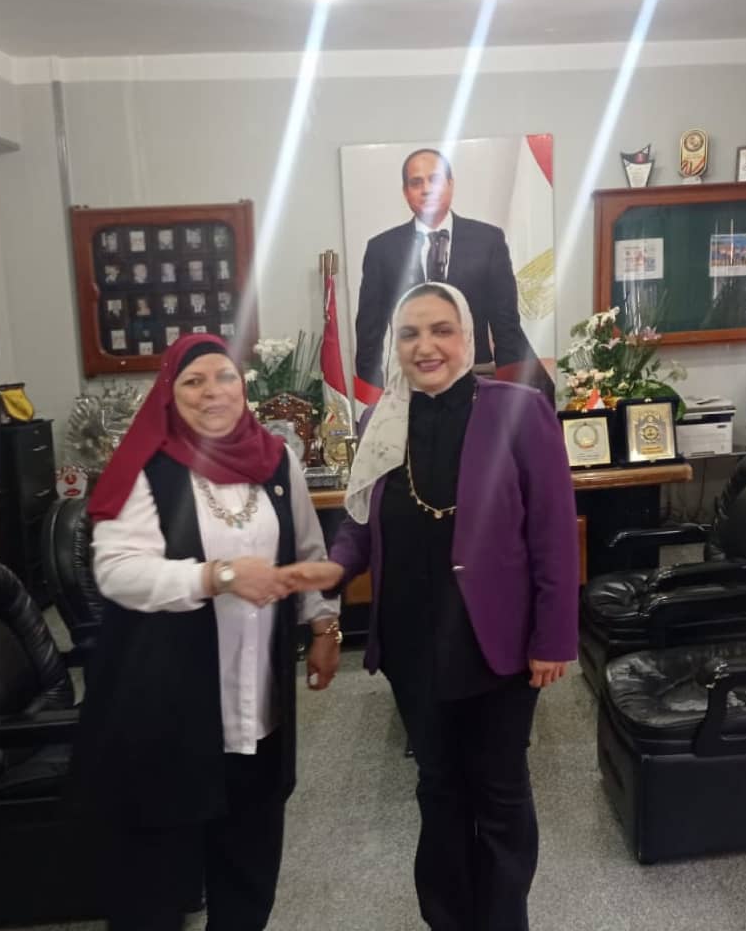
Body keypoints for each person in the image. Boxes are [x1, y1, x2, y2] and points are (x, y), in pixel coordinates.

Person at [292, 283, 578, 931]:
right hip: (412, 640)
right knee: (439, 787)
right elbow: (360, 523)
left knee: (500, 792)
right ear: (395, 346)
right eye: (410, 333)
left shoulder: (519, 409)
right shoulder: (383, 418)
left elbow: (554, 534)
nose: (426, 346)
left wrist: (554, 638)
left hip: (498, 642)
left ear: (467, 337)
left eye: (441, 330)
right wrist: (335, 568)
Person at [70, 334, 342, 931]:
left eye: (224, 377)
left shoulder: (277, 460)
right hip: (166, 707)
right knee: (154, 884)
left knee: (248, 865)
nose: (212, 392)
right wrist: (215, 576)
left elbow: (305, 550)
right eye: (193, 381)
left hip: (257, 704)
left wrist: (323, 623)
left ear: (244, 387)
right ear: (170, 393)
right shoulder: (146, 465)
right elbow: (116, 572)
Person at [352, 148, 552, 404]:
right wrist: (373, 402)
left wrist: (509, 397)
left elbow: (507, 329)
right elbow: (369, 337)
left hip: (477, 385)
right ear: (405, 192)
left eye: (434, 179)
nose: (426, 189)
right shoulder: (382, 249)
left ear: (450, 184)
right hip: (410, 389)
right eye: (416, 182)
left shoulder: (487, 241)